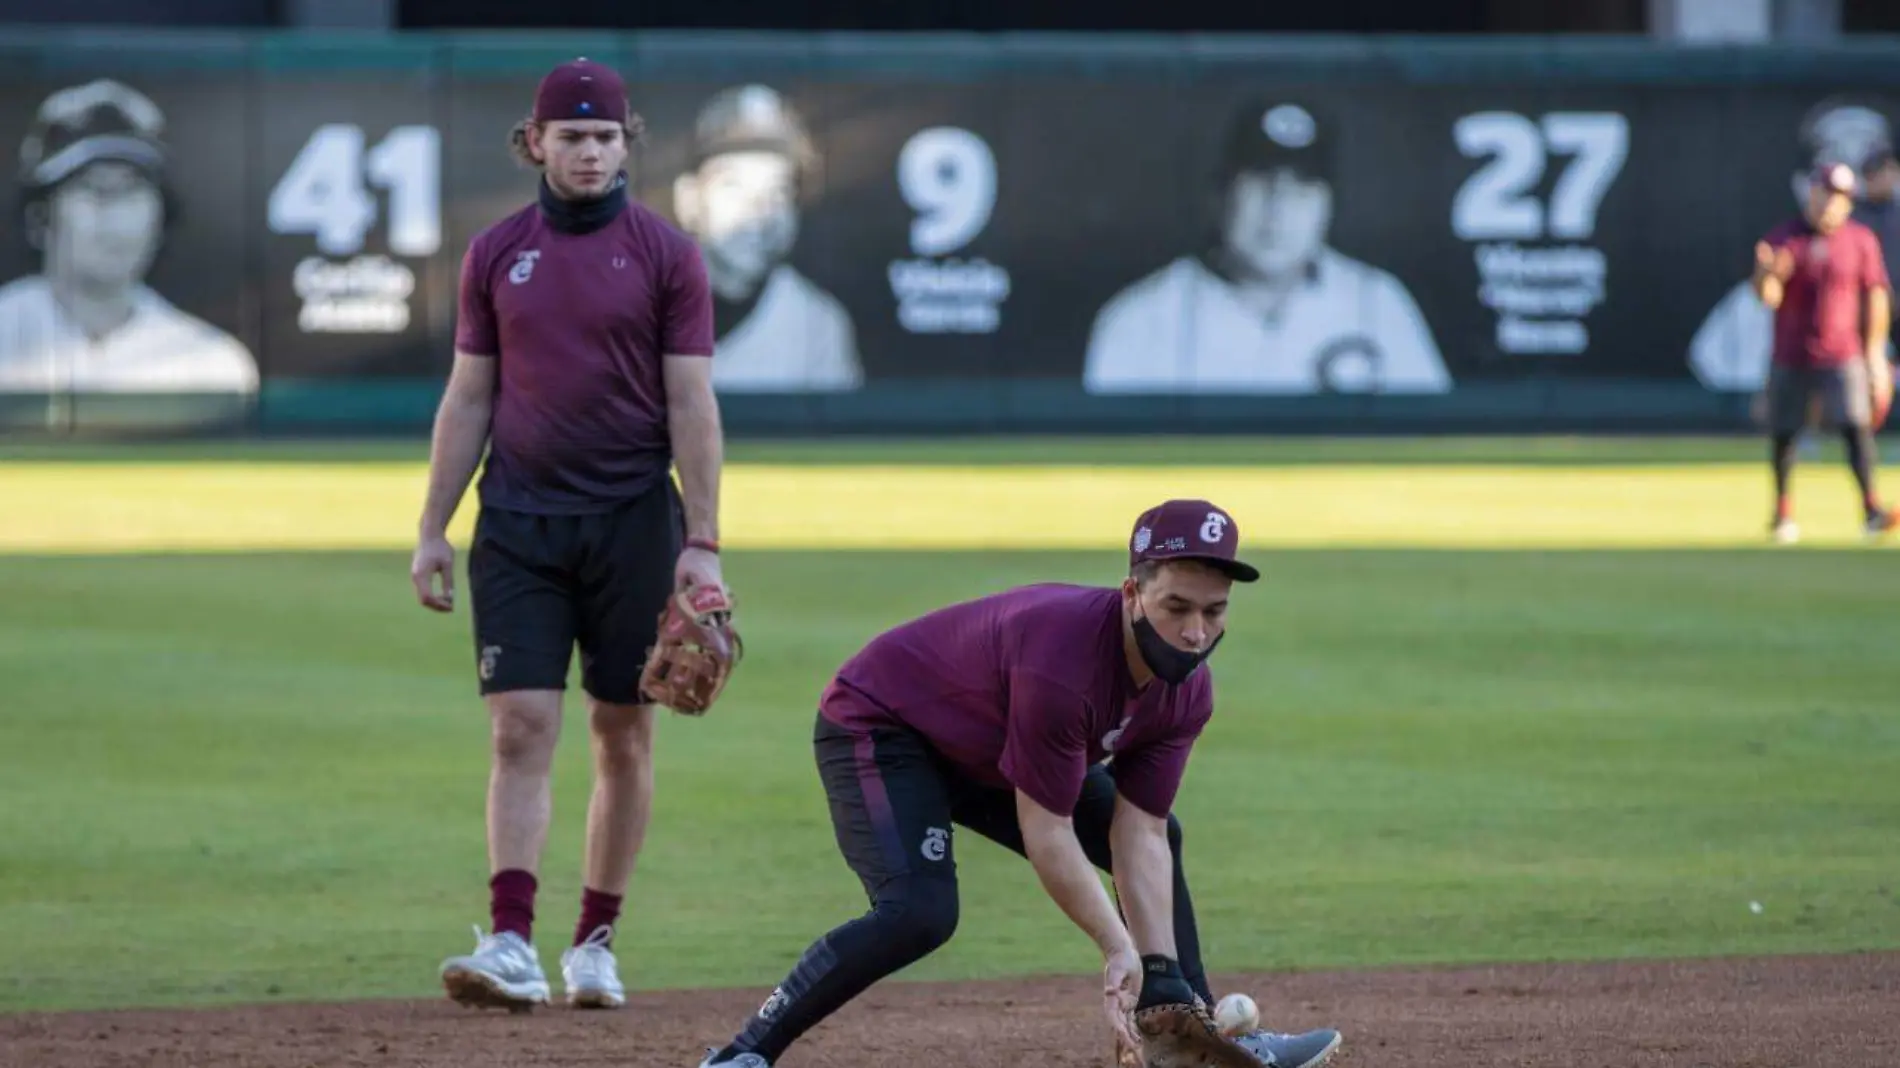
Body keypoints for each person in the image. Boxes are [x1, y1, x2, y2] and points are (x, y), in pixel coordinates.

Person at [693, 499, 1342, 1068]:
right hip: (883, 726)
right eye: (1176, 607)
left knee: (1162, 835)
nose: (1196, 632)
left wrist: (1157, 971)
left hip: (991, 745)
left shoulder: (1186, 694)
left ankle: (1191, 1033)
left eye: (1213, 611)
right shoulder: (1065, 665)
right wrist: (1119, 949)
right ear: (1131, 593)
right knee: (918, 912)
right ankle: (743, 1053)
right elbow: (1048, 830)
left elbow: (1138, 830)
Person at [410, 56, 727, 1012]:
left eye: (604, 137)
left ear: (627, 143)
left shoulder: (669, 255)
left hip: (634, 519)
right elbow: (469, 395)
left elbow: (691, 401)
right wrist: (434, 526)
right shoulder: (496, 252)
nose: (589, 152)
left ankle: (595, 941)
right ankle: (511, 940)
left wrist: (702, 539)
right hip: (516, 523)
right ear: (534, 141)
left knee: (622, 732)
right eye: (571, 136)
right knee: (519, 728)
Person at [1084, 99, 1448, 396]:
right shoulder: (1141, 319)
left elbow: (1439, 452)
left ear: (1329, 206)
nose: (1278, 210)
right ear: (1219, 195)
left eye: (1301, 188)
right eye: (1260, 183)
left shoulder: (1378, 300)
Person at [0, 78, 257, 401]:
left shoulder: (212, 364)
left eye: (132, 190)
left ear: (161, 218)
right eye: (93, 188)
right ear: (39, 218)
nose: (115, 216)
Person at [670, 83, 862, 393]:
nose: (759, 211)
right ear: (689, 199)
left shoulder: (817, 325)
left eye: (778, 191)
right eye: (733, 187)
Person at [1751, 161, 1896, 543]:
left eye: (1840, 196)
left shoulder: (1860, 240)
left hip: (1843, 353)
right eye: (1826, 193)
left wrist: (1874, 356)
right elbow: (1768, 297)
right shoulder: (1788, 238)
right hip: (1792, 354)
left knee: (1856, 431)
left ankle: (1870, 510)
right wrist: (1766, 275)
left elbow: (1876, 298)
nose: (1831, 203)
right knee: (1785, 434)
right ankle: (1782, 513)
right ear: (1812, 194)